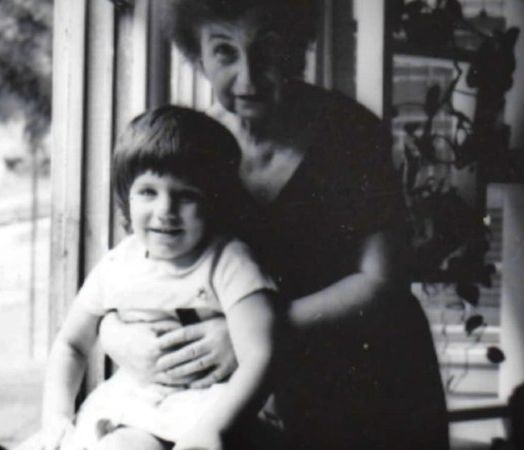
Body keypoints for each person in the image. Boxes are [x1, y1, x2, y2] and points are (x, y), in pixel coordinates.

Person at [101, 1, 450, 449]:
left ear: (298, 44)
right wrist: (116, 335)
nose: (248, 77)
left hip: (367, 378)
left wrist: (254, 333)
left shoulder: (351, 133)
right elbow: (140, 267)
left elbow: (383, 281)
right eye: (225, 52)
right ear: (196, 53)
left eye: (268, 49)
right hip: (252, 385)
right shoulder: (192, 145)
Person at [41, 106, 279, 450]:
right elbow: (71, 344)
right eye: (148, 192)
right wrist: (57, 416)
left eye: (186, 195)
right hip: (132, 405)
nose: (165, 210)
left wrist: (211, 429)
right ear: (127, 197)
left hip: (208, 411)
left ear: (213, 201)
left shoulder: (228, 262)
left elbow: (261, 356)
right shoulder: (118, 263)